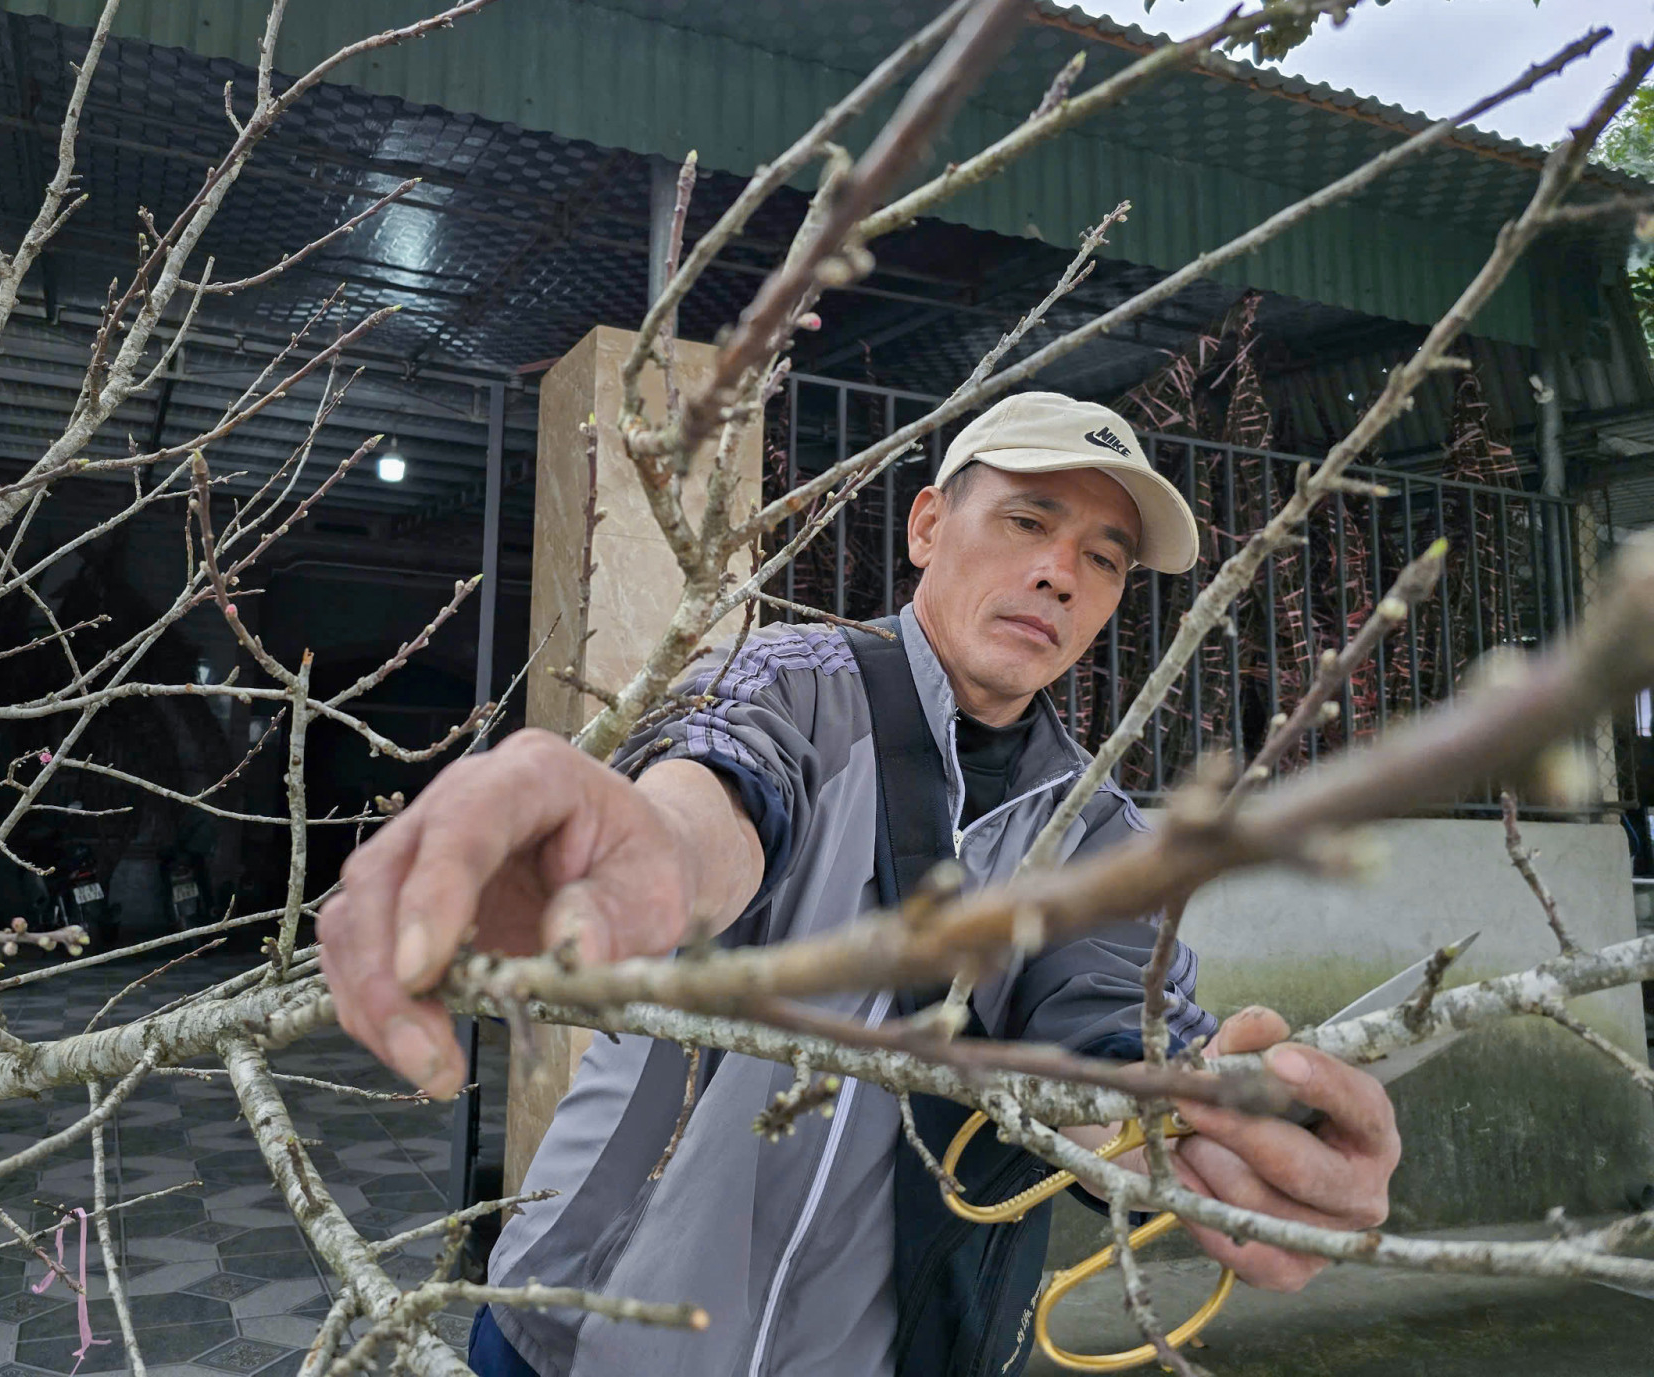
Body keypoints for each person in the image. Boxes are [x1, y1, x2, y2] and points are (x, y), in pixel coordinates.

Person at [318, 392, 1401, 1377]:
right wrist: (649, 851)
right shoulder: (793, 681)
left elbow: (1110, 1038)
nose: (1060, 574)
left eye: (1103, 559)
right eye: (1027, 522)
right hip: (577, 1333)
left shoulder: (1104, 837)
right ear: (927, 526)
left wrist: (1207, 1137)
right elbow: (720, 787)